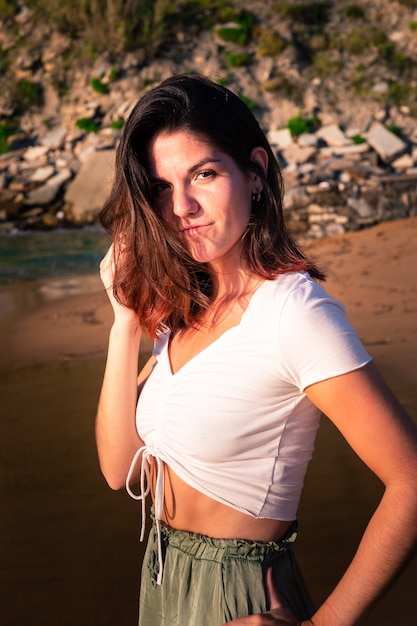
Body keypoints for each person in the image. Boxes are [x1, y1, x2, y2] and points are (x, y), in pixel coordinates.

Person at [96, 73, 417, 626]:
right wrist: (124, 323)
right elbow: (120, 470)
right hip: (163, 582)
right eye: (161, 187)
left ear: (256, 172)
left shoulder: (294, 313)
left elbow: (411, 481)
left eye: (204, 173)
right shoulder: (181, 310)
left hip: (236, 597)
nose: (182, 207)